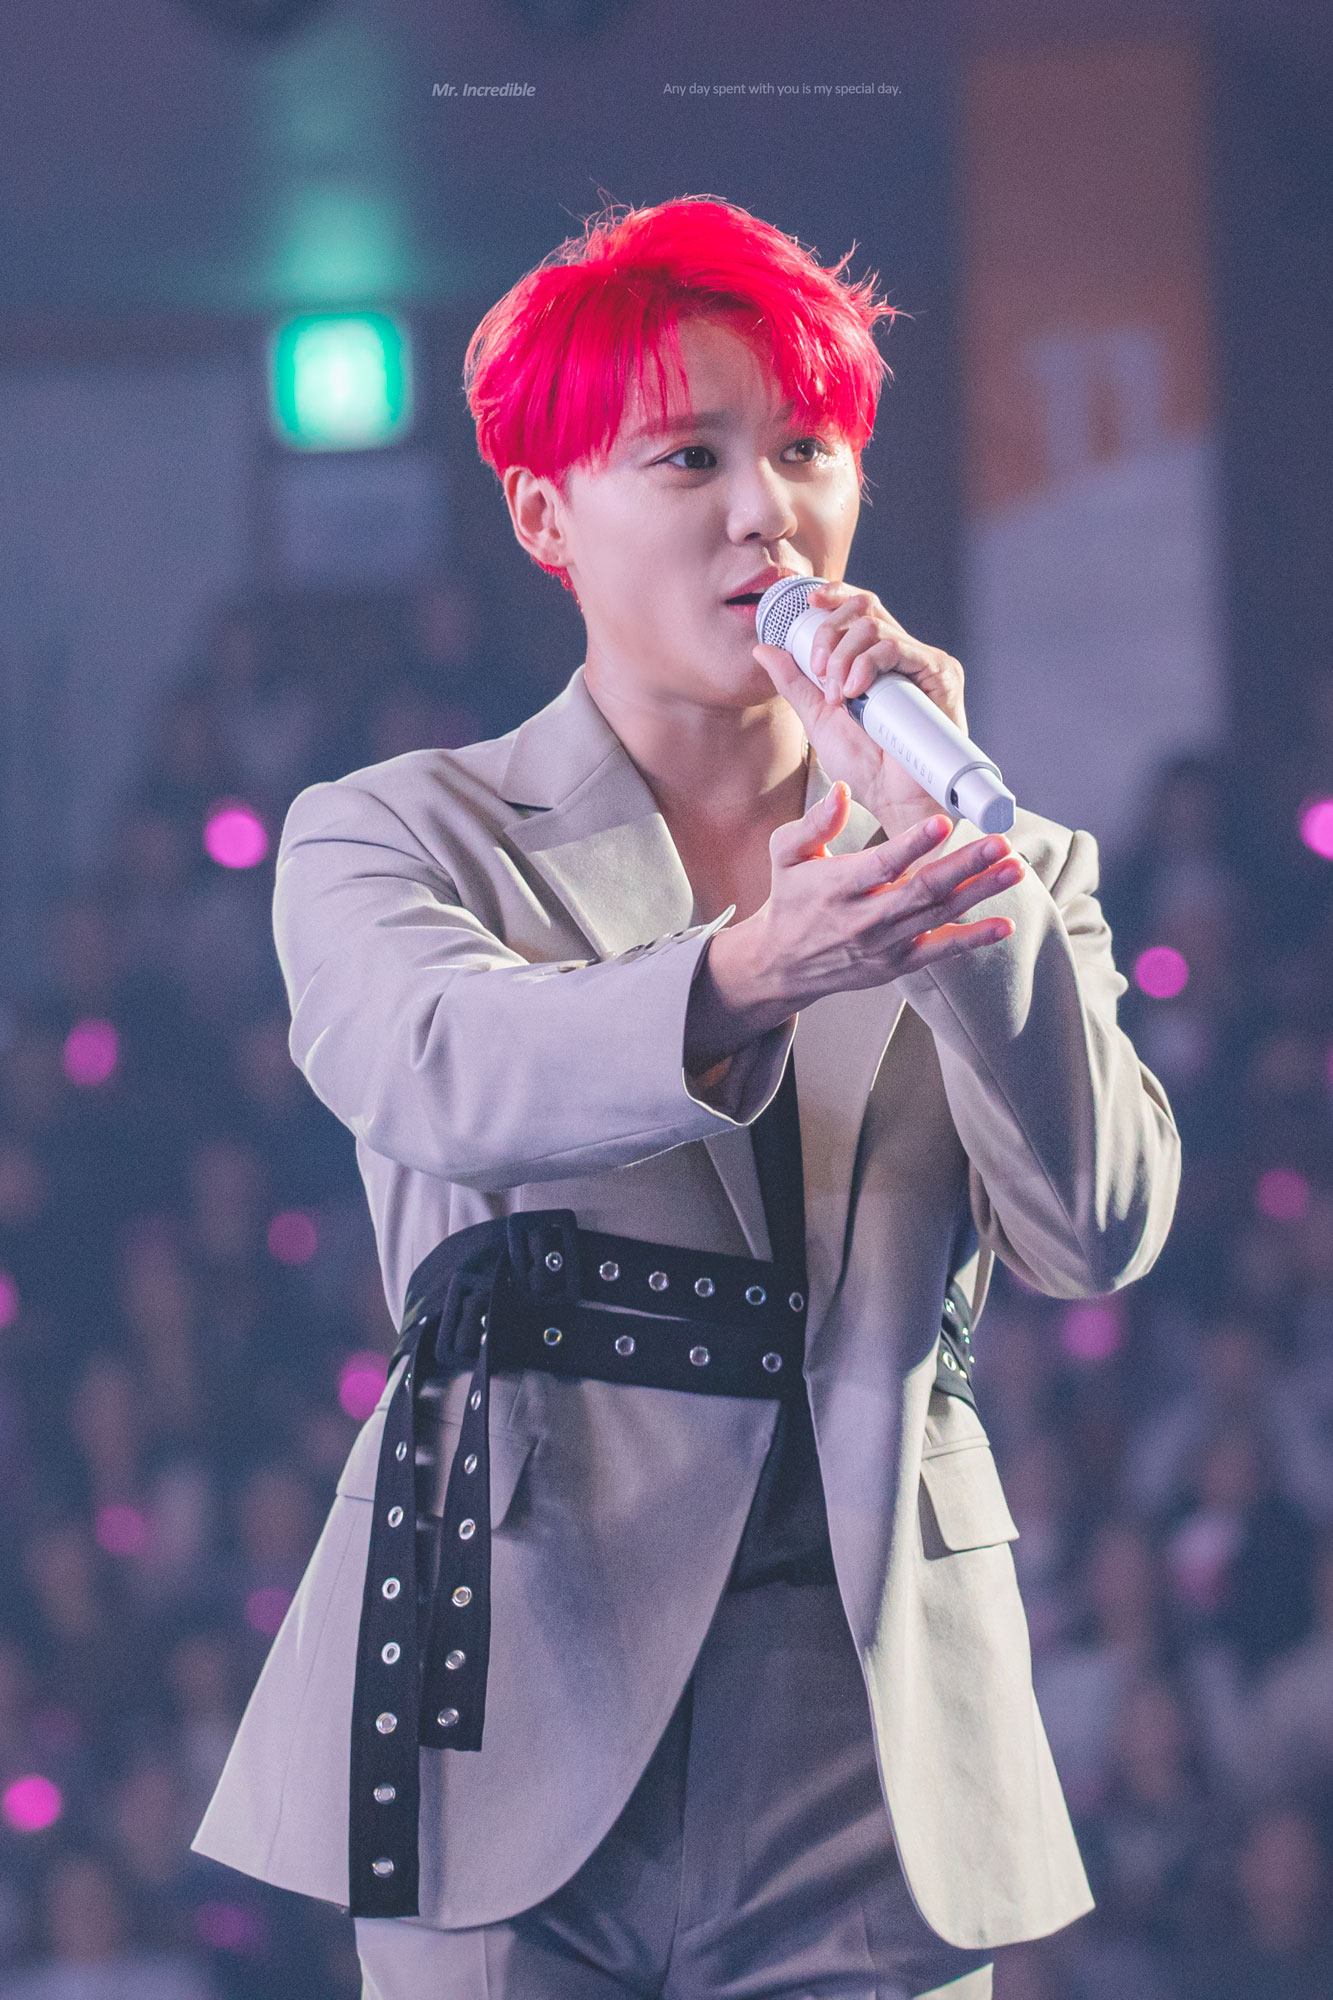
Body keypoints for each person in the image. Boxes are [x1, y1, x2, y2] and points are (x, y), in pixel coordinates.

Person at [191, 196, 1181, 1998]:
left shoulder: (999, 857)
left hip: (863, 1721)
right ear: (543, 515)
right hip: (506, 1670)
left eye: (805, 449)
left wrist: (958, 894)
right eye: (689, 456)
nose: (763, 511)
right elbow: (433, 1067)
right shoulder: (402, 830)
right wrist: (747, 973)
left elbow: (1095, 1229)